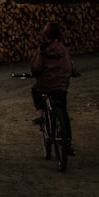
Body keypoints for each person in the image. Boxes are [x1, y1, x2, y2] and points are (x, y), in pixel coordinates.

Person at [30, 21, 77, 155]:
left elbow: (37, 67)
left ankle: (40, 114)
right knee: (63, 110)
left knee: (35, 90)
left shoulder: (43, 48)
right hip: (62, 85)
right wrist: (73, 72)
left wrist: (34, 72)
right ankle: (67, 141)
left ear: (46, 34)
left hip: (45, 84)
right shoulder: (64, 49)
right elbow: (70, 66)